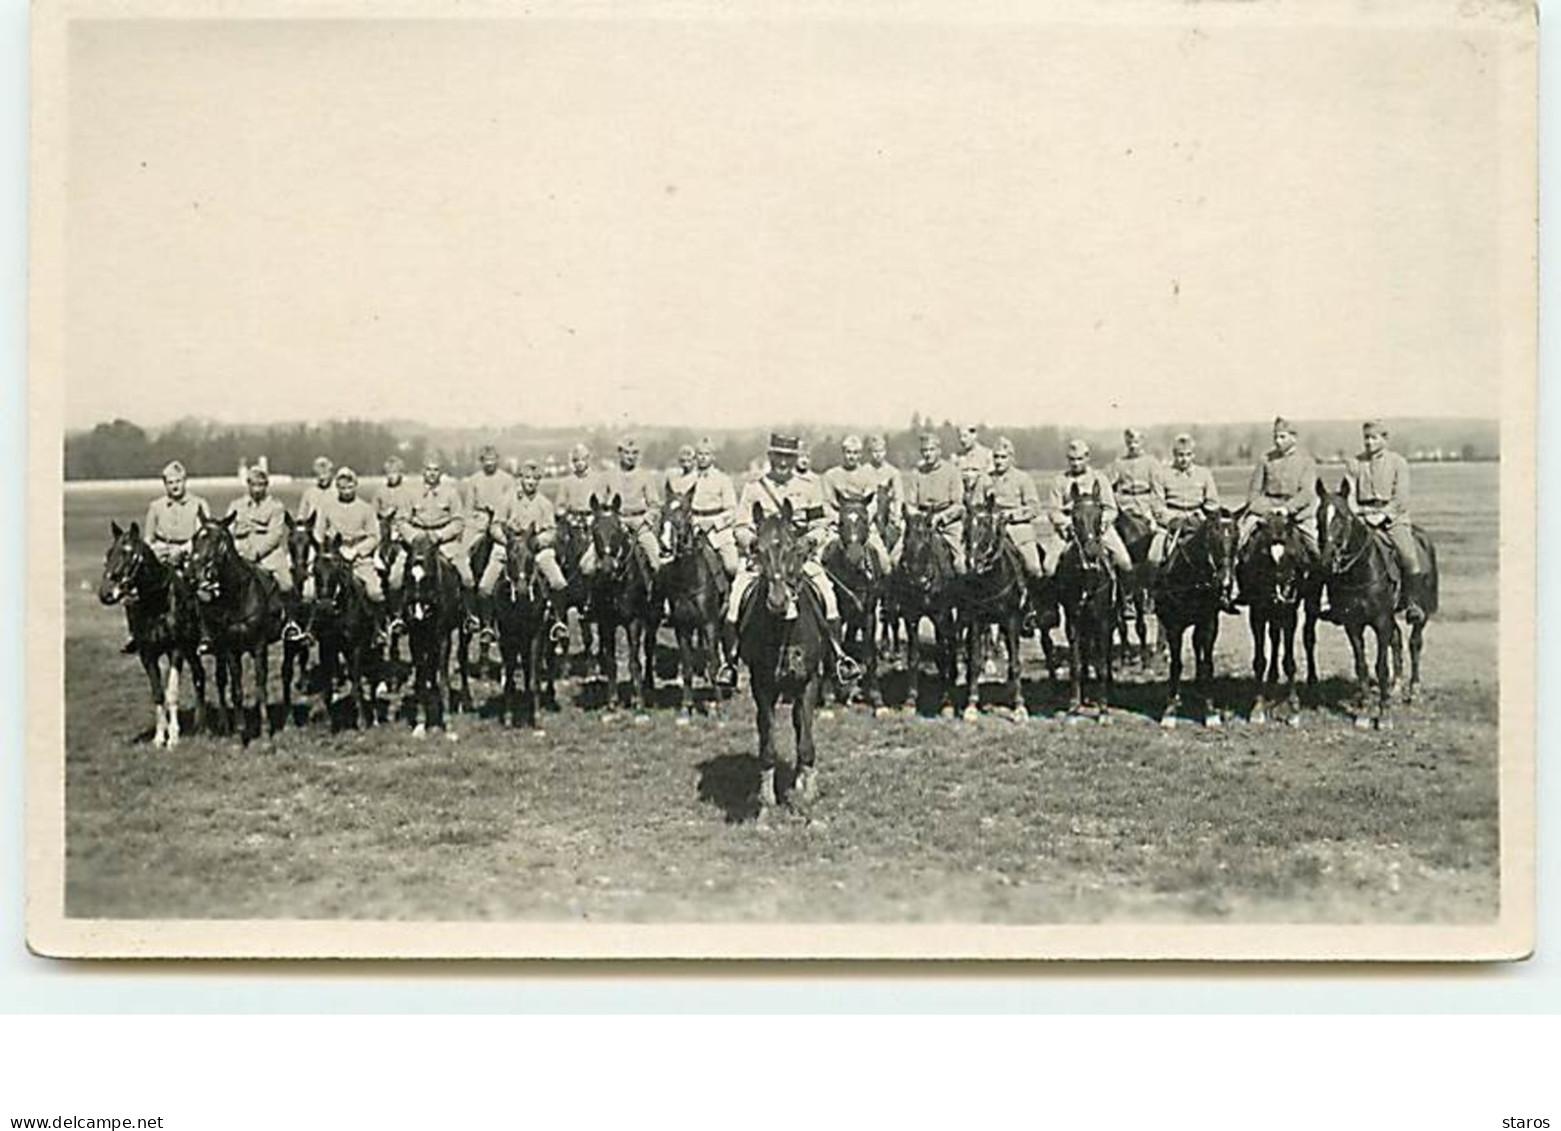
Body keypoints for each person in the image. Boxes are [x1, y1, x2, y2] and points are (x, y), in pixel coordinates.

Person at [714, 434, 857, 689]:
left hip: (798, 558)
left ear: (794, 459)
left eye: (788, 457)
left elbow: (820, 524)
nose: (783, 462)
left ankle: (839, 657)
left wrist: (810, 542)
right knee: (735, 601)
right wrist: (753, 545)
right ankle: (731, 662)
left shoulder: (808, 487)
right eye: (778, 456)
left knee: (829, 597)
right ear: (770, 457)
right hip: (764, 560)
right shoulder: (754, 488)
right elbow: (741, 526)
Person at [478, 459, 571, 643]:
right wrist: (508, 541)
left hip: (535, 549)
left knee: (558, 581)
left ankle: (558, 622)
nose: (531, 482)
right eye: (527, 478)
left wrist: (538, 541)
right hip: (508, 547)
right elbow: (495, 526)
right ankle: (488, 626)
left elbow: (552, 530)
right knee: (485, 586)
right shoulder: (507, 499)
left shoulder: (544, 504)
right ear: (521, 478)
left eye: (535, 479)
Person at [1344, 420, 1425, 624]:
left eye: (1373, 438)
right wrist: (1357, 512)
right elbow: (1350, 493)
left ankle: (1412, 603)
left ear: (1384, 439)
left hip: (1392, 519)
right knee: (1337, 550)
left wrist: (1383, 515)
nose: (1369, 442)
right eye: (1366, 438)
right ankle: (1337, 600)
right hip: (1362, 516)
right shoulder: (1355, 463)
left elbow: (1401, 498)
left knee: (1408, 555)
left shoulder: (1398, 462)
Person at [128, 461, 210, 652]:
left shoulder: (199, 504)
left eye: (178, 481)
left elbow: (203, 536)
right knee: (133, 589)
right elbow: (148, 538)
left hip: (190, 555)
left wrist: (182, 550)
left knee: (201, 589)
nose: (175, 486)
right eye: (170, 482)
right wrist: (158, 549)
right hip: (162, 556)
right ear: (165, 484)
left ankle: (205, 634)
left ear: (185, 481)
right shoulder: (156, 507)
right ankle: (135, 633)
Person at [396, 455, 477, 631]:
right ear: (422, 471)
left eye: (435, 470)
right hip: (417, 542)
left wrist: (440, 535)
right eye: (428, 470)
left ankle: (469, 616)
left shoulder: (451, 493)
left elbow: (458, 522)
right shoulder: (410, 493)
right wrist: (414, 537)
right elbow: (401, 520)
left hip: (444, 542)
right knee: (395, 577)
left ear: (440, 473)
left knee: (467, 577)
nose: (432, 474)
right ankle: (399, 617)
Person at [226, 465, 302, 640]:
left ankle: (291, 623)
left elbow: (276, 534)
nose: (257, 489)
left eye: (261, 485)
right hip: (241, 552)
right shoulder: (236, 506)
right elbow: (229, 531)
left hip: (269, 554)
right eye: (254, 484)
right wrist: (239, 549)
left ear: (267, 485)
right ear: (248, 484)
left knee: (286, 584)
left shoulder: (276, 507)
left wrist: (257, 552)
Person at [1040, 439, 1133, 577]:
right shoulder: (1059, 481)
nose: (1076, 463)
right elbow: (1054, 511)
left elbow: (1111, 508)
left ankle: (1125, 596)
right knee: (1049, 567)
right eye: (1072, 459)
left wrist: (1102, 522)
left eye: (1079, 459)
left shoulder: (1099, 479)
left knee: (1124, 562)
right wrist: (1066, 523)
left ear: (1087, 458)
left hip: (1097, 527)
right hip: (1069, 528)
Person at [980, 438, 1047, 625]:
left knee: (1034, 567)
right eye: (996, 457)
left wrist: (1013, 515)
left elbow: (1034, 507)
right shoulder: (986, 479)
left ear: (1011, 458)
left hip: (1018, 529)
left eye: (1003, 457)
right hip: (992, 530)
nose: (999, 461)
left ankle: (1033, 608)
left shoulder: (1022, 479)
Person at [311, 468, 387, 627]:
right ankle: (309, 630)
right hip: (332, 559)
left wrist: (356, 551)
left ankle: (378, 630)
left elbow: (374, 536)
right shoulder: (327, 507)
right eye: (342, 488)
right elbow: (318, 533)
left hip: (359, 559)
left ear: (355, 486)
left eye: (350, 487)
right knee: (309, 592)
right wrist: (329, 549)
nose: (346, 491)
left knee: (375, 592)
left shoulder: (366, 509)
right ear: (337, 488)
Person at [581, 437, 665, 578]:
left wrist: (645, 520)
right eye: (627, 453)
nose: (631, 457)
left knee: (656, 560)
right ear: (619, 453)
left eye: (634, 453)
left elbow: (655, 506)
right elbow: (598, 501)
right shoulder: (608, 476)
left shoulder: (645, 476)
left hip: (639, 526)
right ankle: (589, 598)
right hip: (614, 525)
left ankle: (658, 597)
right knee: (586, 565)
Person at [820, 434, 891, 575]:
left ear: (860, 454)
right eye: (848, 452)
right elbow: (826, 504)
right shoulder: (831, 475)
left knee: (885, 564)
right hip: (838, 527)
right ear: (843, 453)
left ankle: (880, 593)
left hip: (863, 526)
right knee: (821, 558)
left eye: (855, 453)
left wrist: (864, 520)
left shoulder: (869, 474)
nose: (851, 457)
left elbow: (873, 503)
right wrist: (839, 520)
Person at [1148, 433, 1220, 570]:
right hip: (1171, 524)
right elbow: (1157, 505)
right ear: (1174, 455)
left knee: (1220, 551)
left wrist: (1200, 518)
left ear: (1193, 455)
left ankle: (1224, 584)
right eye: (1180, 455)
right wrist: (1171, 520)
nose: (1184, 459)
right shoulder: (1162, 474)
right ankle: (1152, 589)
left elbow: (1213, 503)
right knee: (1154, 555)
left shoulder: (1204, 474)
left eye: (1188, 455)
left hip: (1198, 523)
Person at [902, 432, 968, 574]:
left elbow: (958, 504)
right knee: (896, 559)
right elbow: (910, 503)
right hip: (921, 523)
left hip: (947, 524)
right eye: (925, 450)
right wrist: (919, 517)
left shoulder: (952, 472)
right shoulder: (916, 473)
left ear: (939, 451)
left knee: (961, 564)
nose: (928, 454)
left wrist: (941, 517)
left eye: (931, 450)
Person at [373, 455, 419, 641]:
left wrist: (402, 530)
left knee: (396, 578)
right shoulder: (379, 493)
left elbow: (415, 517)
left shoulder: (410, 493)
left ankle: (397, 614)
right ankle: (376, 620)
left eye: (396, 472)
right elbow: (372, 517)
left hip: (402, 543)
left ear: (402, 473)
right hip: (382, 542)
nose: (392, 476)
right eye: (389, 472)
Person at [682, 437, 740, 578]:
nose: (703, 458)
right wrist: (692, 522)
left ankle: (726, 596)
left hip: (718, 531)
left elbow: (731, 511)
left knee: (731, 566)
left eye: (706, 454)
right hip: (694, 528)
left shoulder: (723, 480)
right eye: (700, 454)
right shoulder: (687, 480)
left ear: (713, 457)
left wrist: (714, 523)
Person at [1108, 427, 1168, 528]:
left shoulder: (1151, 462)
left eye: (1136, 442)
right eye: (1129, 443)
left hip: (1145, 505)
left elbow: (1158, 490)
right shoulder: (1119, 463)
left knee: (1157, 531)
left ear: (1142, 442)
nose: (1132, 446)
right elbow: (1109, 485)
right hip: (1124, 505)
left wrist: (1157, 508)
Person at [865, 434, 905, 564]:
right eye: (875, 451)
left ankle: (897, 561)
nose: (878, 455)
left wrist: (897, 515)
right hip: (870, 514)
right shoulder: (864, 471)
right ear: (870, 452)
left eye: (881, 451)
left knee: (904, 535)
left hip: (890, 512)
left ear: (885, 452)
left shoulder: (893, 472)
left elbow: (899, 496)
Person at [295, 456, 336, 528]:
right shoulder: (309, 493)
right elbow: (301, 515)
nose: (322, 478)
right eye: (319, 474)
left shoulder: (337, 493)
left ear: (331, 474)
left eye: (325, 473)